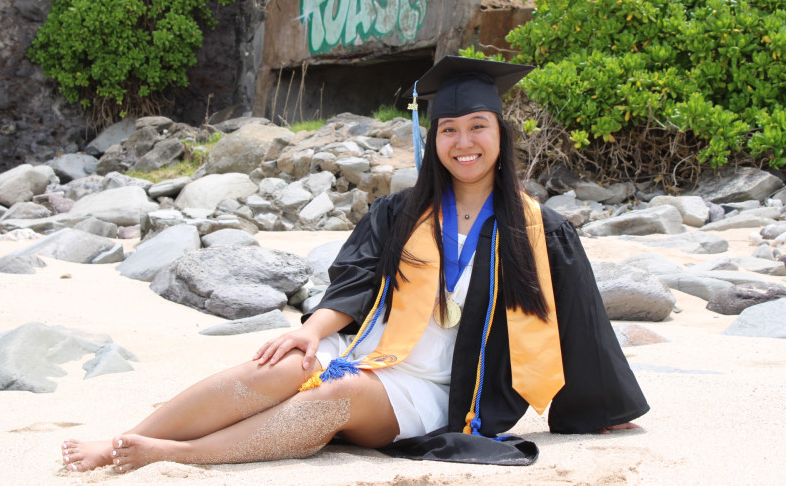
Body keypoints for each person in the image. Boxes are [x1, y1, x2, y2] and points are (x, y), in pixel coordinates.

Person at [61, 56, 648, 473]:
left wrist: (603, 408)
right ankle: (131, 435)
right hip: (369, 351)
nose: (463, 141)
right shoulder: (400, 212)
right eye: (449, 129)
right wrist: (311, 331)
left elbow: (580, 324)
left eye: (478, 127)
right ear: (433, 138)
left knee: (325, 403)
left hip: (438, 393)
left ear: (501, 135)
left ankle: (175, 454)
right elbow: (357, 280)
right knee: (279, 369)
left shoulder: (540, 230)